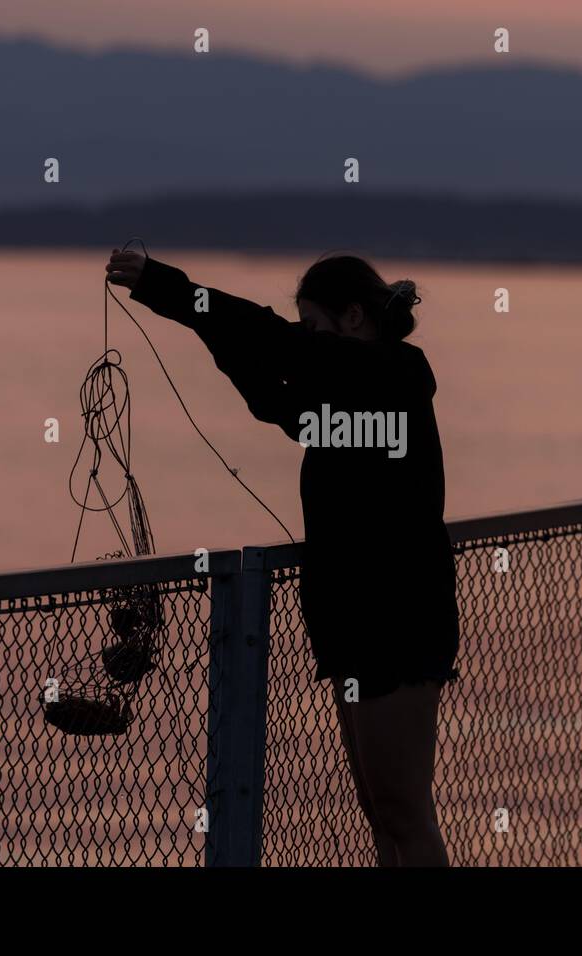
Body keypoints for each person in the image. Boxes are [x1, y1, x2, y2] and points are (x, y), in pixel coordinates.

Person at [106, 248, 460, 866]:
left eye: (314, 328)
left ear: (354, 317)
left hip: (399, 622)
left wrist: (169, 289)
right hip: (351, 624)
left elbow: (268, 341)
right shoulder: (337, 405)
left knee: (405, 808)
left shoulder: (396, 376)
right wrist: (207, 328)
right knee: (379, 811)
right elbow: (273, 398)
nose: (306, 341)